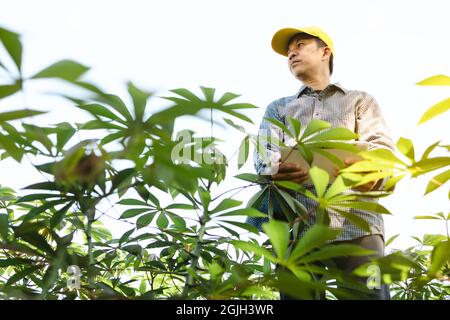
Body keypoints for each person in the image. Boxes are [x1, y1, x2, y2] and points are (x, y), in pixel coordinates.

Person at [246, 26, 395, 300]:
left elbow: (381, 147)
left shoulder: (359, 101)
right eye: (289, 51)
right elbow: (264, 154)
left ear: (325, 52)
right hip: (295, 224)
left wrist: (372, 173)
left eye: (300, 45)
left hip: (358, 222)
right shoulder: (278, 108)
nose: (291, 53)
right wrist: (274, 168)